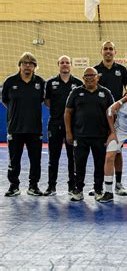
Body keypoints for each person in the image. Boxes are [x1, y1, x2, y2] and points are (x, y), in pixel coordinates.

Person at [65, 67, 114, 201]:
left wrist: (111, 133)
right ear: (83, 78)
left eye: (92, 75)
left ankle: (98, 189)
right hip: (80, 136)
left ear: (97, 77)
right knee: (79, 164)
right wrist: (69, 132)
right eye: (87, 76)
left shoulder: (105, 93)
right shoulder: (76, 92)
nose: (90, 78)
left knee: (99, 165)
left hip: (100, 136)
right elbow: (68, 112)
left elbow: (112, 114)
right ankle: (78, 189)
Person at [2, 52, 45, 197]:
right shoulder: (10, 82)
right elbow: (5, 100)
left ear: (35, 67)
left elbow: (44, 100)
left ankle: (33, 186)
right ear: (19, 65)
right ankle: (14, 186)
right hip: (15, 128)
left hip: (34, 128)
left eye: (31, 64)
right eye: (24, 63)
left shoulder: (40, 83)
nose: (27, 66)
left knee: (35, 159)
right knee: (14, 159)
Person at [94, 41, 127, 196]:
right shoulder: (95, 70)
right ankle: (99, 185)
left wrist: (120, 104)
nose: (108, 51)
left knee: (118, 151)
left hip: (117, 117)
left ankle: (119, 183)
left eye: (111, 49)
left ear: (115, 52)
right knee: (100, 151)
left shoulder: (121, 70)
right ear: (101, 51)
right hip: (99, 117)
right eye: (105, 49)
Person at [44, 55, 82, 196]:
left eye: (67, 62)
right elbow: (47, 101)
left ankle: (72, 186)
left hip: (73, 126)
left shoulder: (78, 83)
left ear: (71, 65)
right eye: (62, 62)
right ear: (58, 65)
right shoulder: (50, 83)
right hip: (55, 124)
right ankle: (51, 186)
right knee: (53, 157)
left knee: (73, 157)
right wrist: (57, 112)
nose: (65, 65)